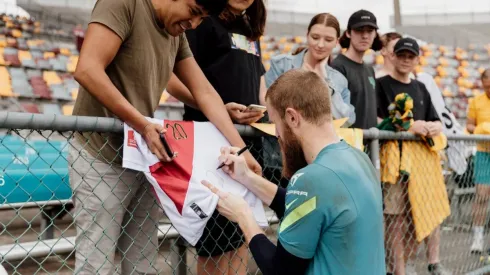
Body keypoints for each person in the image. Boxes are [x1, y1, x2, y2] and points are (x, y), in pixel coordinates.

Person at [69, 0, 261, 273]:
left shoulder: (177, 32)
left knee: (143, 263)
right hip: (100, 155)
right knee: (96, 265)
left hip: (141, 157)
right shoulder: (123, 4)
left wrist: (242, 149)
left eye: (201, 19)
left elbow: (204, 92)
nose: (193, 25)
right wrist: (142, 125)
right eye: (194, 12)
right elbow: (87, 69)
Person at [202, 69, 386, 275]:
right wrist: (247, 178)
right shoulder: (358, 157)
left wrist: (243, 215)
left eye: (274, 123)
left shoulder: (312, 178)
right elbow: (310, 207)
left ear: (292, 118)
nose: (277, 134)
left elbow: (280, 270)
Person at [165, 1, 266, 274]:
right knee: (214, 243)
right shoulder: (201, 18)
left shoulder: (248, 26)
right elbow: (170, 76)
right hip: (209, 142)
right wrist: (220, 109)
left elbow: (259, 84)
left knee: (244, 233)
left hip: (246, 142)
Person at [377, 37, 450, 275]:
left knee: (423, 215)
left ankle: (412, 265)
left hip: (422, 164)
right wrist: (410, 127)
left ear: (418, 60)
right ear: (393, 56)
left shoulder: (420, 87)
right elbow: (375, 121)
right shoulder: (381, 84)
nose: (406, 60)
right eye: (402, 55)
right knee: (396, 219)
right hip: (394, 162)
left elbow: (436, 119)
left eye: (411, 56)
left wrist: (435, 127)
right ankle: (398, 270)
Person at [265, 13, 355, 126]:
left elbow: (347, 121)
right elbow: (269, 109)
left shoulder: (339, 80)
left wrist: (327, 85)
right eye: (315, 37)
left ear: (336, 42)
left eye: (328, 40)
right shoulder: (281, 64)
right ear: (307, 35)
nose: (320, 44)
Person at [331, 9, 382, 130]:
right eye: (359, 30)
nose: (365, 36)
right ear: (348, 33)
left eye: (369, 31)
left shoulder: (370, 70)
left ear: (375, 34)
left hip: (371, 145)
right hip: (348, 144)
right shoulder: (338, 67)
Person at [468, 69, 490, 254]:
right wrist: (480, 128)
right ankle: (478, 237)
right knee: (481, 195)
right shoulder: (476, 101)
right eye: (487, 86)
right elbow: (469, 124)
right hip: (483, 153)